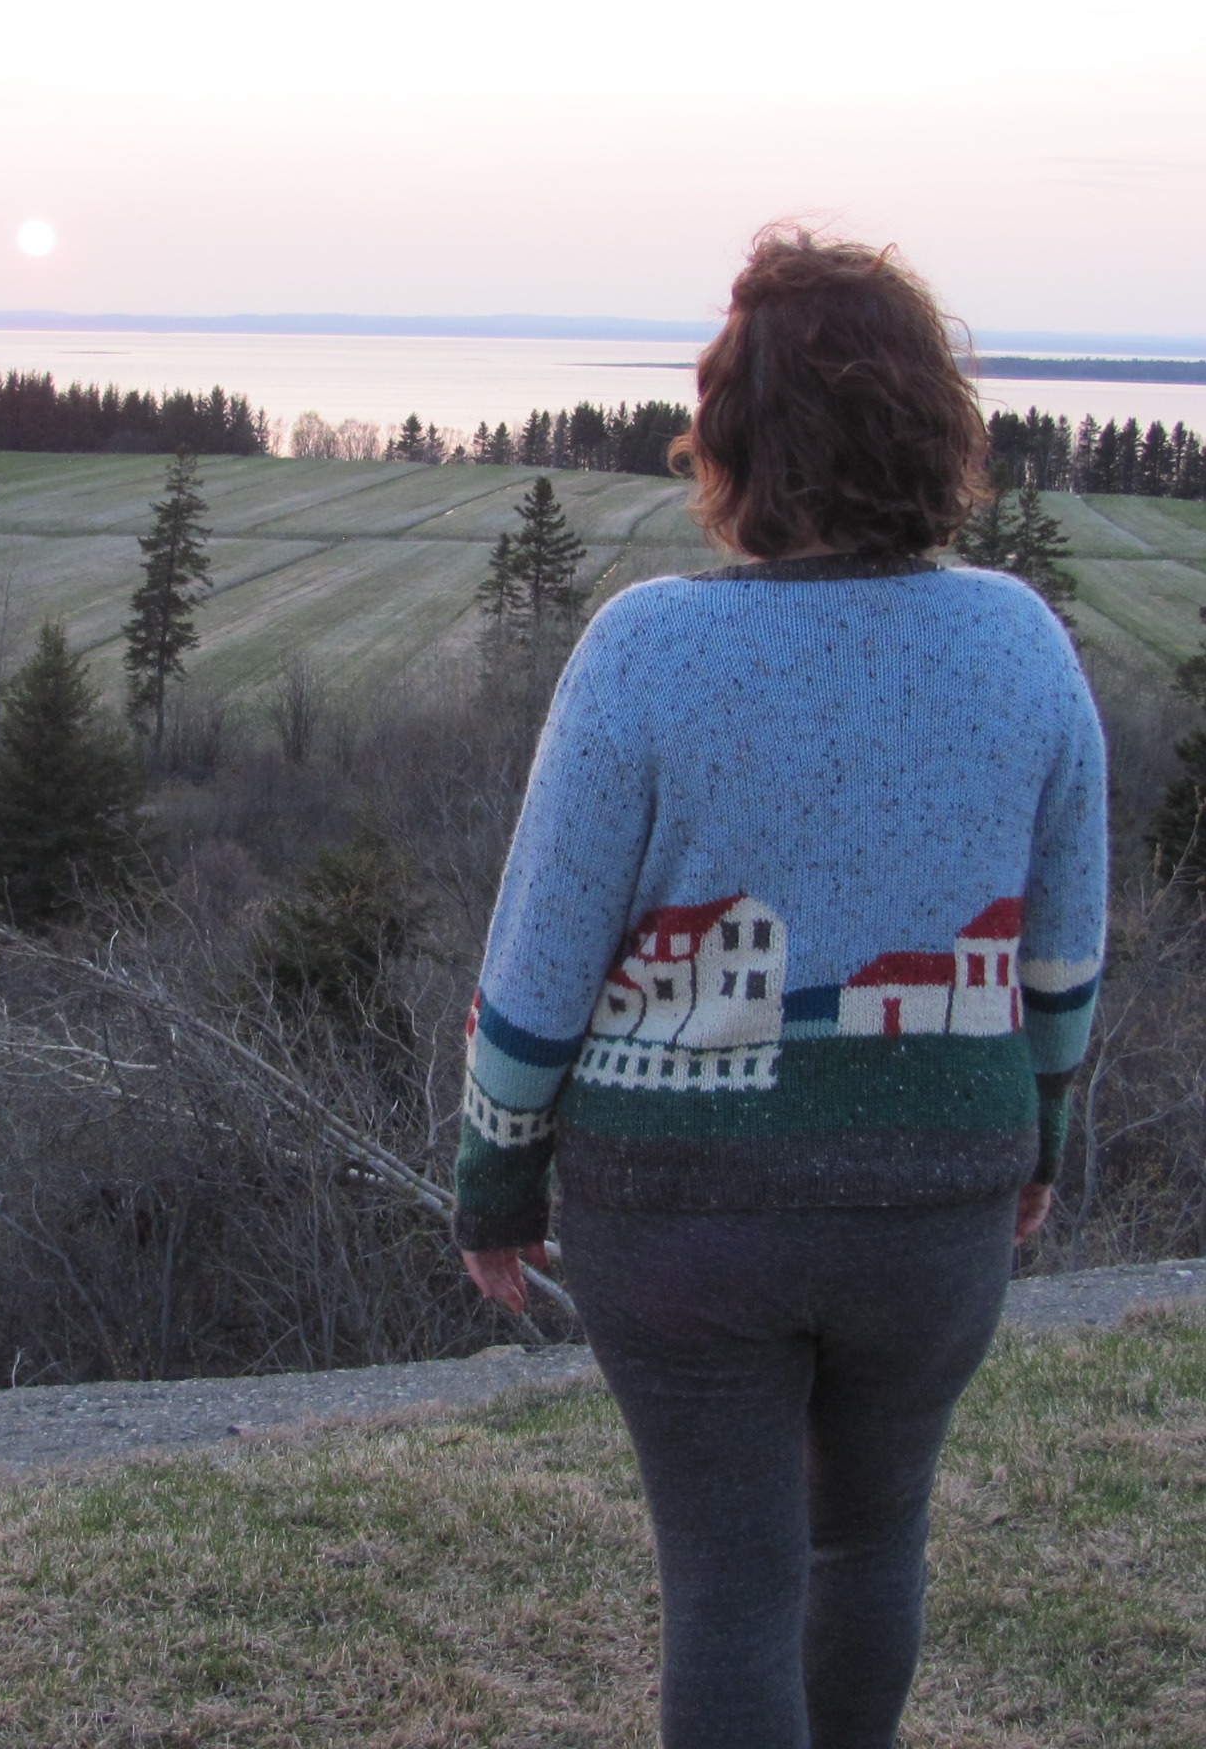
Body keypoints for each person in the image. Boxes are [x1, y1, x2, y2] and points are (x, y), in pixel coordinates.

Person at [453, 228, 1105, 1749]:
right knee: (871, 1541)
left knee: (730, 1585)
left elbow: (539, 965)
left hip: (682, 1216)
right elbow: (1062, 961)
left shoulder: (646, 651)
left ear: (731, 439)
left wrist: (497, 1177)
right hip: (940, 1195)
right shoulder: (1021, 642)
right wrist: (1042, 1141)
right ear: (934, 426)